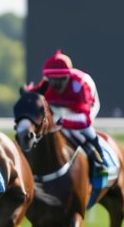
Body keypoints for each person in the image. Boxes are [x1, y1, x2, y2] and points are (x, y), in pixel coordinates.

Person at [33, 49, 111, 178]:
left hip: (83, 108)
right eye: (53, 80)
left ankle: (100, 160)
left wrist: (63, 122)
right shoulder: (46, 84)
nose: (56, 84)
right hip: (60, 107)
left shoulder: (81, 84)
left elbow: (85, 120)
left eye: (61, 79)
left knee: (80, 132)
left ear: (69, 76)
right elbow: (35, 95)